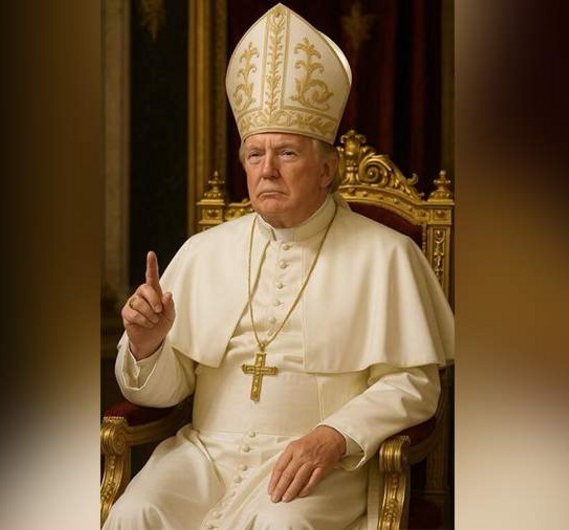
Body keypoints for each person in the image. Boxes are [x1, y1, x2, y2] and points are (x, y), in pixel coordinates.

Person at [103, 4, 453, 529]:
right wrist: (148, 346)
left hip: (319, 465)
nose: (267, 170)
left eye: (287, 153)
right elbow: (164, 393)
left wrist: (334, 436)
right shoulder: (203, 251)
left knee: (281, 525)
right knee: (135, 512)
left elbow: (413, 384)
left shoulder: (387, 254)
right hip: (205, 455)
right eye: (254, 155)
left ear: (327, 169)